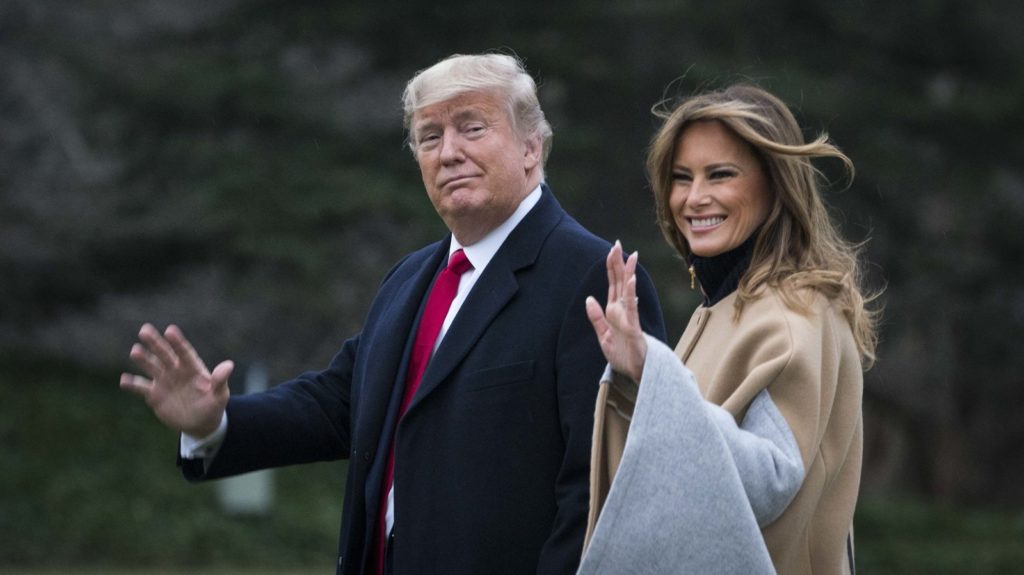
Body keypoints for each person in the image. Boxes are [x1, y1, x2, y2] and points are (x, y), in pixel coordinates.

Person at [119, 53, 666, 575]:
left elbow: (600, 488)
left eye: (471, 128)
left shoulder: (595, 275)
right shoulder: (409, 280)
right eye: (430, 137)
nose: (448, 151)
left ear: (532, 147)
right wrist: (215, 423)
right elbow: (339, 403)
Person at [578, 84, 879, 574]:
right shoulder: (730, 304)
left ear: (775, 183)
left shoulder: (791, 314)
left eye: (720, 175)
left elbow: (768, 481)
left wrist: (652, 373)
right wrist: (639, 380)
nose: (695, 198)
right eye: (681, 178)